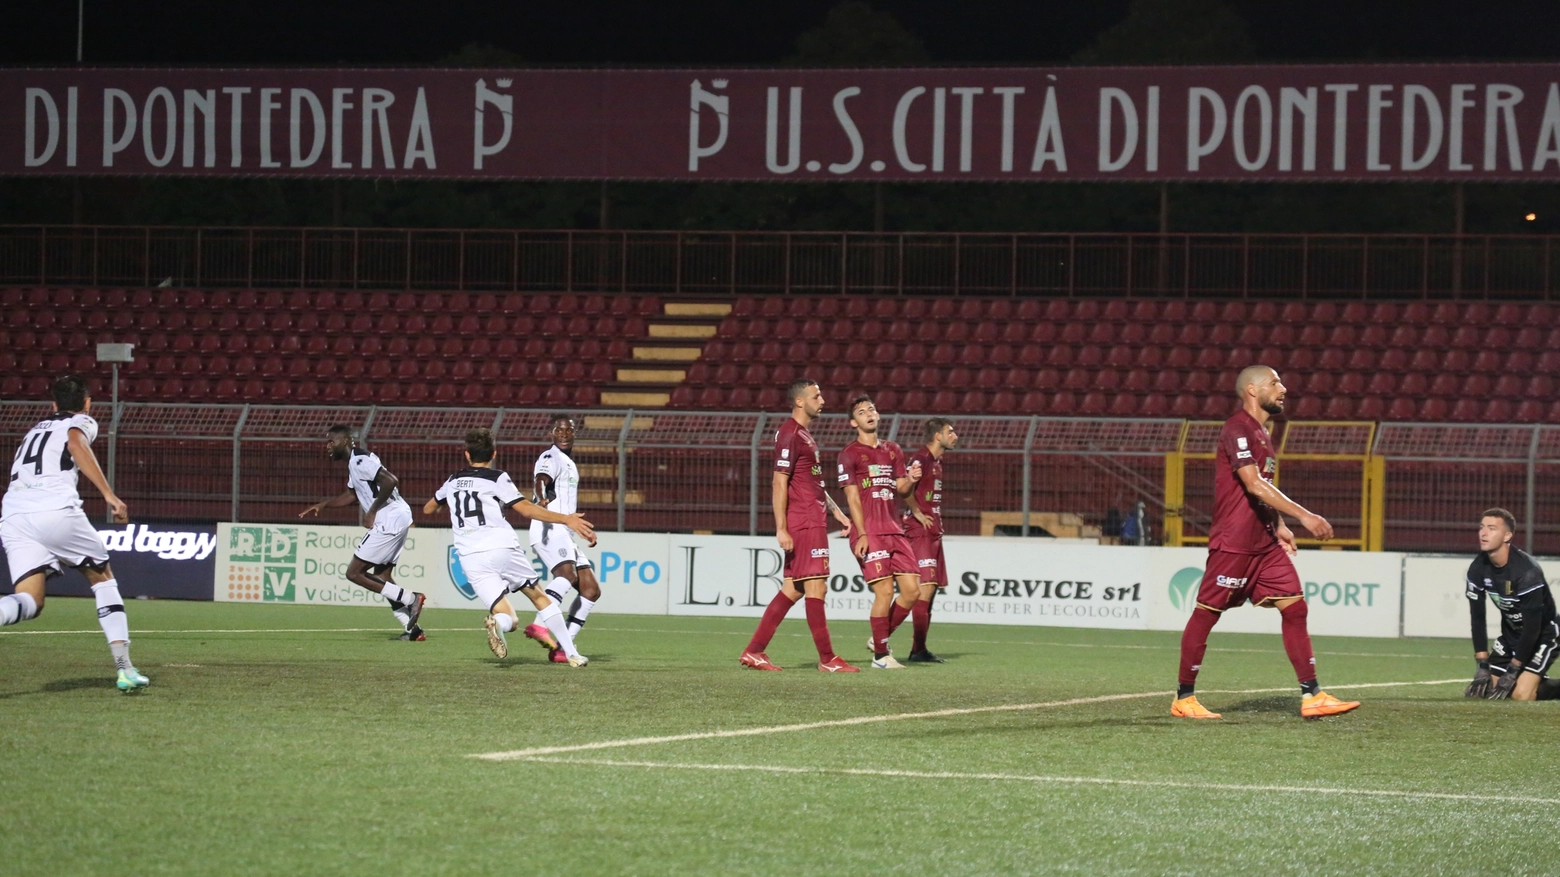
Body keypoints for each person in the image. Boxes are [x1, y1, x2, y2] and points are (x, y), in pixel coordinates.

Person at [1171, 365, 1359, 719]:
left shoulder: (1262, 433)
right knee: (1207, 614)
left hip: (1265, 542)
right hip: (1235, 542)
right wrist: (1305, 516)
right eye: (1275, 382)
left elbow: (1262, 490)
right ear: (1253, 390)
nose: (1283, 388)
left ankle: (1312, 695)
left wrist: (1281, 523)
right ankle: (1184, 697)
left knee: (1296, 608)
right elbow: (1253, 484)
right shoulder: (1237, 428)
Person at [0, 375, 148, 692]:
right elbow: (76, 443)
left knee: (30, 600)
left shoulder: (33, 430)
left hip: (13, 514)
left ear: (53, 404)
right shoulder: (82, 421)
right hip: (53, 508)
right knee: (103, 578)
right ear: (87, 403)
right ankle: (125, 668)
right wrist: (108, 494)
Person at [423, 428, 596, 666]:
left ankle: (498, 624)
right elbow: (525, 508)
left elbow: (428, 509)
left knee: (508, 618)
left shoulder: (452, 481)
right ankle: (571, 654)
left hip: (470, 557)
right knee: (539, 597)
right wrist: (566, 518)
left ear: (466, 454)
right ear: (493, 454)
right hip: (501, 547)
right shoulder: (497, 477)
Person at [739, 378, 858, 673]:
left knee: (793, 588)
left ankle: (754, 651)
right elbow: (780, 481)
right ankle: (828, 659)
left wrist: (839, 514)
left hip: (813, 518)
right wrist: (781, 527)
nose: (823, 400)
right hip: (804, 521)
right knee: (817, 585)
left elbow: (812, 483)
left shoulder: (804, 436)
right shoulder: (790, 434)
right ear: (800, 402)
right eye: (816, 396)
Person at [300, 425, 426, 640]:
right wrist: (324, 505)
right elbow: (351, 494)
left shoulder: (360, 460)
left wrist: (372, 511)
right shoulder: (354, 463)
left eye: (332, 441)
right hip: (397, 515)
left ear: (347, 441)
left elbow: (391, 480)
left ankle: (411, 598)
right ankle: (412, 629)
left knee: (354, 573)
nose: (328, 446)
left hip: (389, 515)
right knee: (383, 576)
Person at [838, 394, 923, 670]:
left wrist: (910, 480)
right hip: (869, 532)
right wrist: (861, 533)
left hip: (894, 530)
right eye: (862, 412)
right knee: (884, 592)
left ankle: (879, 640)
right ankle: (880, 658)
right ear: (854, 422)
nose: (869, 413)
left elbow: (901, 490)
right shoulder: (849, 454)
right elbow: (852, 498)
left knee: (912, 592)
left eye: (871, 409)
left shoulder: (893, 450)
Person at [526, 414, 602, 664]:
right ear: (551, 433)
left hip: (563, 530)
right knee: (567, 575)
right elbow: (540, 481)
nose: (563, 434)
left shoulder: (569, 462)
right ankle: (539, 624)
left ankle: (562, 647)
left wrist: (580, 528)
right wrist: (540, 499)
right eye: (559, 430)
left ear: (574, 433)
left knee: (590, 590)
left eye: (568, 430)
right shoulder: (551, 457)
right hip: (549, 526)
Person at [1462, 508, 1558, 701]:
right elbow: (1478, 619)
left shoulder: (1526, 572)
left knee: (1521, 695)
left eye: (1491, 528)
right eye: (1482, 527)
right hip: (1511, 635)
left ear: (1507, 535)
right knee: (1482, 692)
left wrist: (1513, 670)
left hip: (1543, 634)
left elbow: (1532, 629)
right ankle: (1528, 678)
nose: (1483, 533)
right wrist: (1482, 666)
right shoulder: (1477, 568)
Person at [902, 417, 956, 663]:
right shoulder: (920, 459)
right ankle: (881, 639)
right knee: (923, 592)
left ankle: (919, 649)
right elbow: (904, 489)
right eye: (950, 431)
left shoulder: (937, 463)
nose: (955, 435)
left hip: (933, 532)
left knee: (931, 592)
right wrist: (916, 512)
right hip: (920, 531)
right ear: (938, 436)